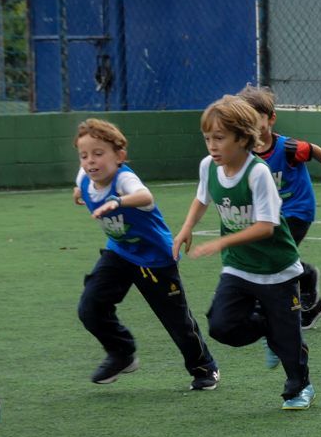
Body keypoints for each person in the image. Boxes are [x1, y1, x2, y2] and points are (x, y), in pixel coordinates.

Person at [172, 96, 314, 410]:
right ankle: (268, 326)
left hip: (276, 267)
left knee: (289, 342)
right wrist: (186, 228)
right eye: (207, 138)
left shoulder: (257, 173)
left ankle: (299, 387)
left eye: (220, 138)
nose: (212, 145)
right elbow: (202, 198)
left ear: (242, 137)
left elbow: (266, 226)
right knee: (222, 326)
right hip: (238, 267)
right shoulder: (209, 167)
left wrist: (221, 242)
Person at [71, 119, 219, 388]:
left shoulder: (124, 179)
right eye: (84, 155)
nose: (90, 161)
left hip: (156, 259)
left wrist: (117, 200)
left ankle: (204, 367)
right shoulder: (85, 176)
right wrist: (78, 190)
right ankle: (121, 353)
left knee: (177, 322)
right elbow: (82, 181)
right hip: (120, 254)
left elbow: (145, 197)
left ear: (119, 157)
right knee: (90, 307)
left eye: (98, 154)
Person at [237, 84, 321, 328]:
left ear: (271, 119)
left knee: (275, 254)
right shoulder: (244, 153)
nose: (251, 125)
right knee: (270, 256)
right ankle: (312, 304)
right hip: (271, 213)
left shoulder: (288, 148)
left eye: (256, 119)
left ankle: (304, 278)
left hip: (297, 209)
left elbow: (314, 151)